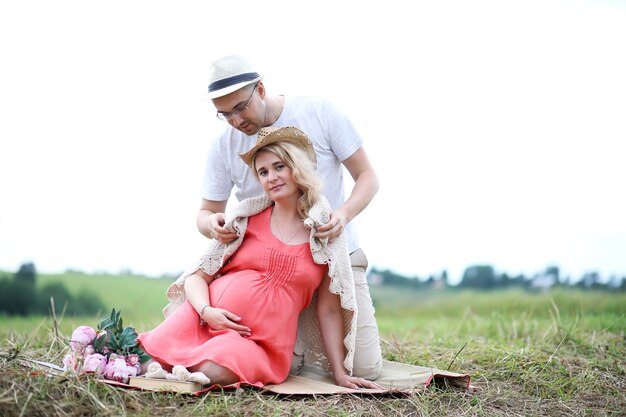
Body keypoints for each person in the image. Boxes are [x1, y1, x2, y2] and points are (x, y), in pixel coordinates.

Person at [137, 127, 381, 390]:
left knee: (214, 369)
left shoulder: (323, 233)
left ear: (297, 168)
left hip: (257, 344)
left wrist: (340, 373)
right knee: (140, 360)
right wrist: (208, 313)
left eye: (279, 167)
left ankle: (178, 369)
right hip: (201, 319)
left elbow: (330, 310)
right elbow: (197, 277)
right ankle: (169, 366)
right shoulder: (245, 220)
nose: (271, 177)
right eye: (263, 172)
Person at [199, 54, 382, 379]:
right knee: (291, 366)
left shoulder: (320, 112)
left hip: (333, 260)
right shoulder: (224, 145)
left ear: (261, 89)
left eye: (240, 107)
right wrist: (212, 224)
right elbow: (206, 213)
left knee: (365, 369)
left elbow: (368, 176)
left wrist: (343, 215)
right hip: (270, 272)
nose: (236, 120)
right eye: (224, 114)